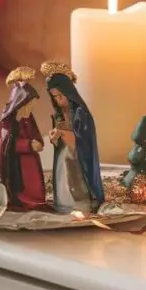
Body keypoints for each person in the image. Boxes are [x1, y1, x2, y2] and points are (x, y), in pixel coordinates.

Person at [41, 61, 104, 213]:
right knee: (63, 179)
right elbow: (58, 133)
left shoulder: (81, 113)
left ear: (68, 92)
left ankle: (81, 204)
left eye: (60, 95)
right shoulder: (58, 114)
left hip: (78, 157)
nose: (58, 100)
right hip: (63, 154)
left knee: (77, 180)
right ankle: (64, 203)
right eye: (54, 97)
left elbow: (82, 140)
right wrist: (54, 135)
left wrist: (62, 133)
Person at [0, 67, 46, 211]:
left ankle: (37, 200)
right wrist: (28, 145)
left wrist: (39, 142)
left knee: (35, 182)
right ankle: (23, 200)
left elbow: (35, 133)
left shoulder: (28, 118)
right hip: (18, 163)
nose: (31, 109)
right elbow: (8, 145)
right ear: (19, 104)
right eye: (29, 106)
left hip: (31, 159)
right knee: (25, 183)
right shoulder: (8, 122)